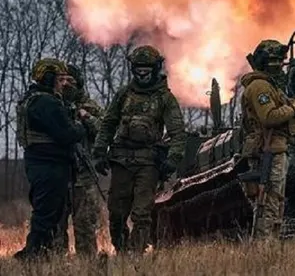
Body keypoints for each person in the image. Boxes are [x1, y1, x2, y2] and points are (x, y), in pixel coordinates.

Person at [91, 45, 186, 254]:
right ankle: (123, 251)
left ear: (155, 68)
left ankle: (135, 255)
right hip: (121, 161)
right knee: (116, 214)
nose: (142, 73)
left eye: (147, 69)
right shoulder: (124, 94)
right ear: (133, 68)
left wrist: (173, 159)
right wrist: (99, 152)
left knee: (142, 214)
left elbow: (178, 132)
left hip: (148, 164)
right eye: (139, 69)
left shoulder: (165, 98)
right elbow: (108, 123)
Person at [13, 58, 87, 261]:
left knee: (49, 214)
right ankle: (32, 256)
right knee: (46, 215)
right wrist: (81, 125)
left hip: (42, 164)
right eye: (60, 78)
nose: (65, 83)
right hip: (49, 166)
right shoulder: (46, 102)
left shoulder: (34, 99)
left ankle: (40, 255)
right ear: (48, 78)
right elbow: (67, 134)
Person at [240, 39, 295, 241]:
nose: (279, 64)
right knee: (268, 202)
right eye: (274, 61)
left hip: (276, 148)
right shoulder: (260, 87)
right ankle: (263, 247)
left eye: (280, 60)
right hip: (268, 150)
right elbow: (269, 117)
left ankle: (269, 246)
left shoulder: (270, 87)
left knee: (275, 201)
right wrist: (293, 109)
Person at [55, 64, 104, 257]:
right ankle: (58, 262)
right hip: (60, 172)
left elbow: (104, 129)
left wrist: (87, 118)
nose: (66, 84)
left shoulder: (90, 105)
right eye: (62, 80)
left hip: (84, 174)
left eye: (71, 81)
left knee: (85, 222)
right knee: (57, 222)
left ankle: (88, 262)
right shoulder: (53, 105)